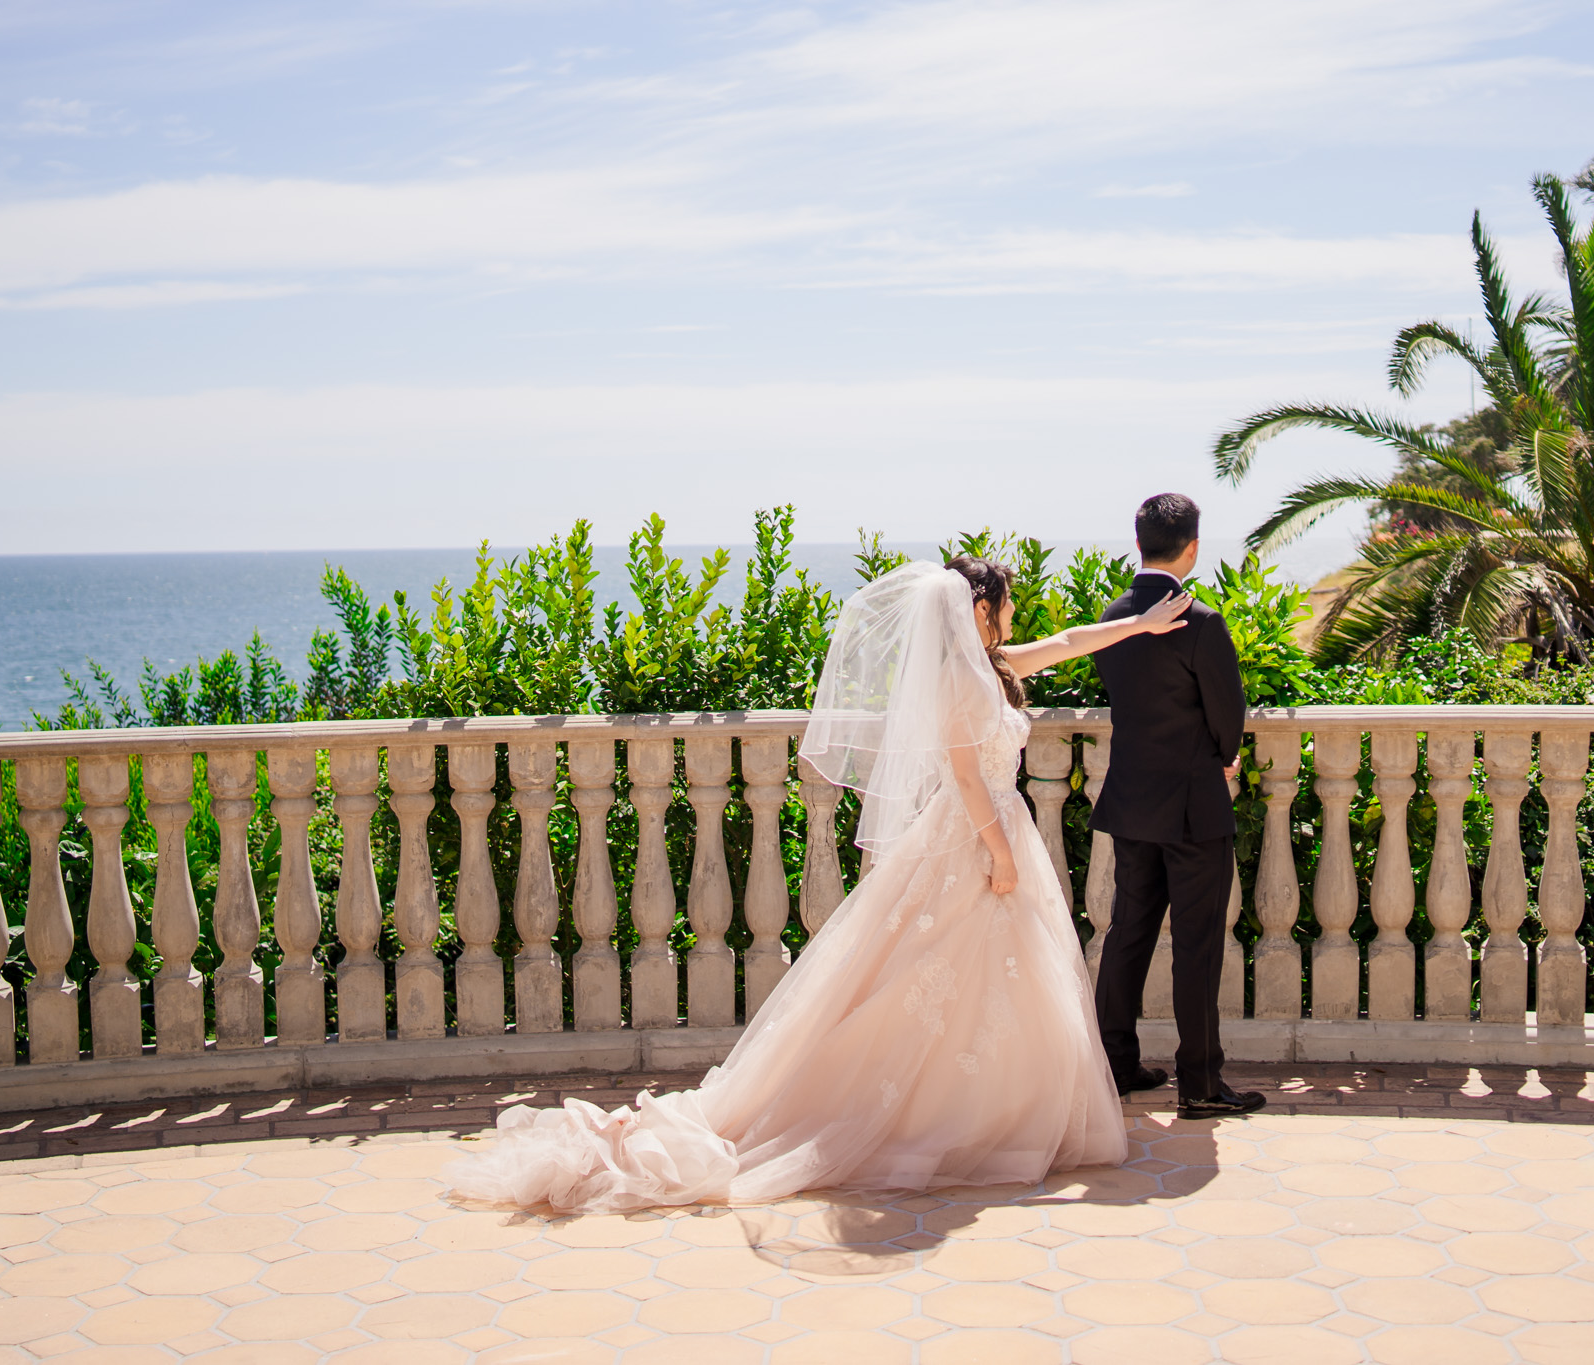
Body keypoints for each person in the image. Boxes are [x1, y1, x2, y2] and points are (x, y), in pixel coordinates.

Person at [443, 554, 1195, 1214]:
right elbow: (966, 776)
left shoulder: (988, 666)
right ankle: (940, 1122)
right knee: (927, 988)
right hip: (977, 841)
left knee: (988, 990)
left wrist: (1143, 624)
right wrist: (999, 853)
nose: (1014, 616)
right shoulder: (961, 680)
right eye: (1005, 603)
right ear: (977, 610)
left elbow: (1067, 644)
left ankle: (993, 1115)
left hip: (994, 835)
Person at [1091, 493, 1267, 1120]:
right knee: (1196, 944)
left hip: (1132, 799)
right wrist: (1226, 755)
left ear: (1138, 543)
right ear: (1193, 547)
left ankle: (1113, 1065)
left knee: (1126, 935)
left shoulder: (1114, 618)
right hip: (1193, 803)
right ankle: (1199, 1084)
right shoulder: (1202, 621)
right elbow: (1227, 712)